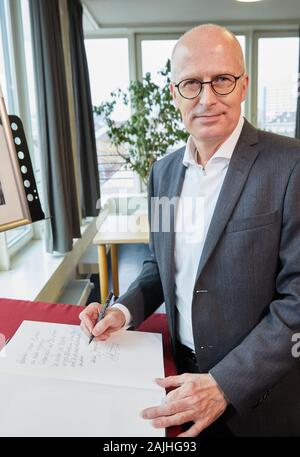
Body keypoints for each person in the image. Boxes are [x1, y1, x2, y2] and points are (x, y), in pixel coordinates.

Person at [80, 24, 300, 437]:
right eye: (191, 84)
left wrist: (224, 384)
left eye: (222, 80)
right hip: (177, 378)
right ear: (173, 94)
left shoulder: (290, 167)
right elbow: (157, 266)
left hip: (258, 400)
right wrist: (122, 311)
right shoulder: (163, 173)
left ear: (244, 85)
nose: (207, 98)